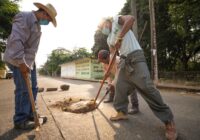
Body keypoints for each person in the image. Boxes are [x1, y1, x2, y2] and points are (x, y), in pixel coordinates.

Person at [98, 15, 177, 140]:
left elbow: (131, 19)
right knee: (119, 86)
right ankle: (122, 112)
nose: (103, 28)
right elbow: (112, 53)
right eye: (101, 28)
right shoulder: (108, 39)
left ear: (107, 22)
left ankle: (169, 121)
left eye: (103, 25)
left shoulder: (116, 20)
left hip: (135, 56)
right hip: (124, 60)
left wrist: (120, 36)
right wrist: (108, 69)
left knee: (147, 88)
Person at [3, 2, 57, 130]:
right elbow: (16, 40)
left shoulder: (37, 25)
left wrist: (29, 63)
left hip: (29, 61)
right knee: (23, 89)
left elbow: (31, 48)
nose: (48, 23)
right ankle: (21, 120)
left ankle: (31, 114)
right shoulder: (24, 17)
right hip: (18, 58)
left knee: (33, 88)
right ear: (44, 13)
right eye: (48, 20)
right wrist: (21, 62)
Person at [98, 49, 139, 114]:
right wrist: (109, 84)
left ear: (107, 57)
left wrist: (112, 84)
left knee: (132, 88)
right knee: (111, 86)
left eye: (102, 61)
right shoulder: (104, 63)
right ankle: (111, 98)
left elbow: (118, 74)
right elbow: (107, 75)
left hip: (128, 73)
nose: (102, 62)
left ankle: (135, 106)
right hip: (118, 74)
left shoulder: (117, 60)